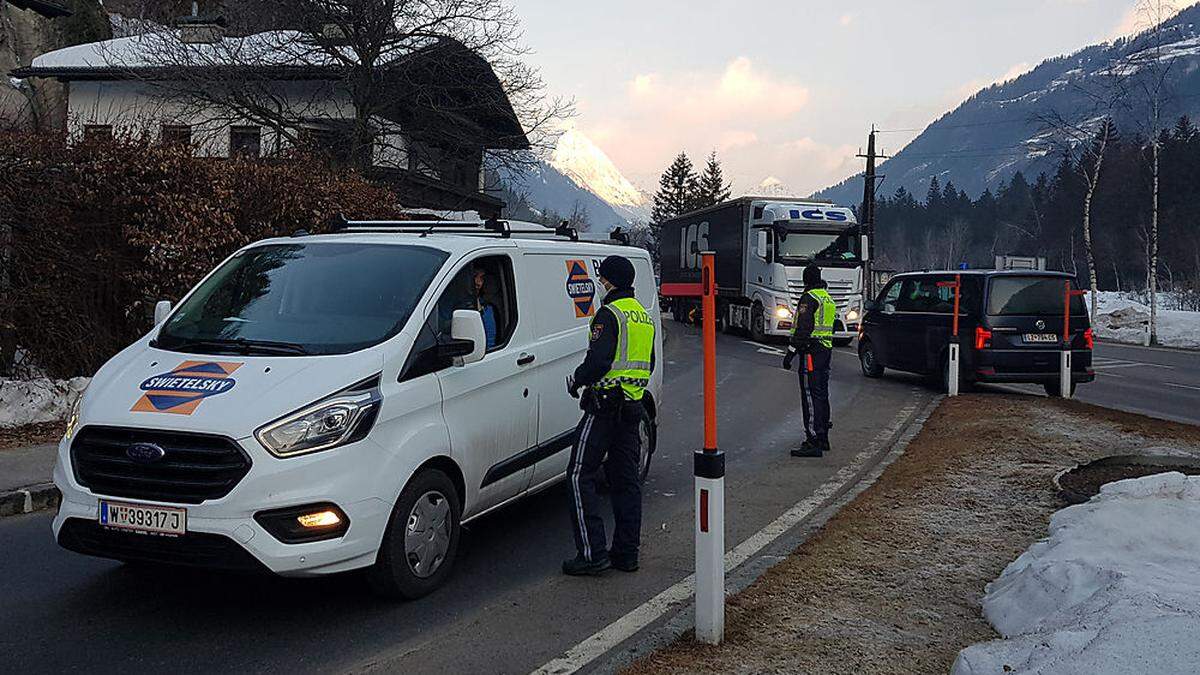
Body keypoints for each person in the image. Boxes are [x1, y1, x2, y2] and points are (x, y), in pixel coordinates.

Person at [562, 255, 655, 576]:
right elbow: (649, 363)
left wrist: (577, 378)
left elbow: (599, 360)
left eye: (602, 279)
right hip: (632, 408)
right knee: (626, 482)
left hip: (603, 406)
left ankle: (592, 553)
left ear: (611, 281)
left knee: (578, 474)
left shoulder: (609, 313)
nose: (600, 283)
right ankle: (626, 554)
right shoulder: (643, 317)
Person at [782, 263, 837, 458]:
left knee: (809, 395)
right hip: (825, 350)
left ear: (806, 280)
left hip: (811, 352)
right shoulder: (827, 297)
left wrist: (790, 353)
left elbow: (803, 329)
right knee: (822, 393)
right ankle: (823, 437)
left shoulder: (809, 298)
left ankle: (813, 440)